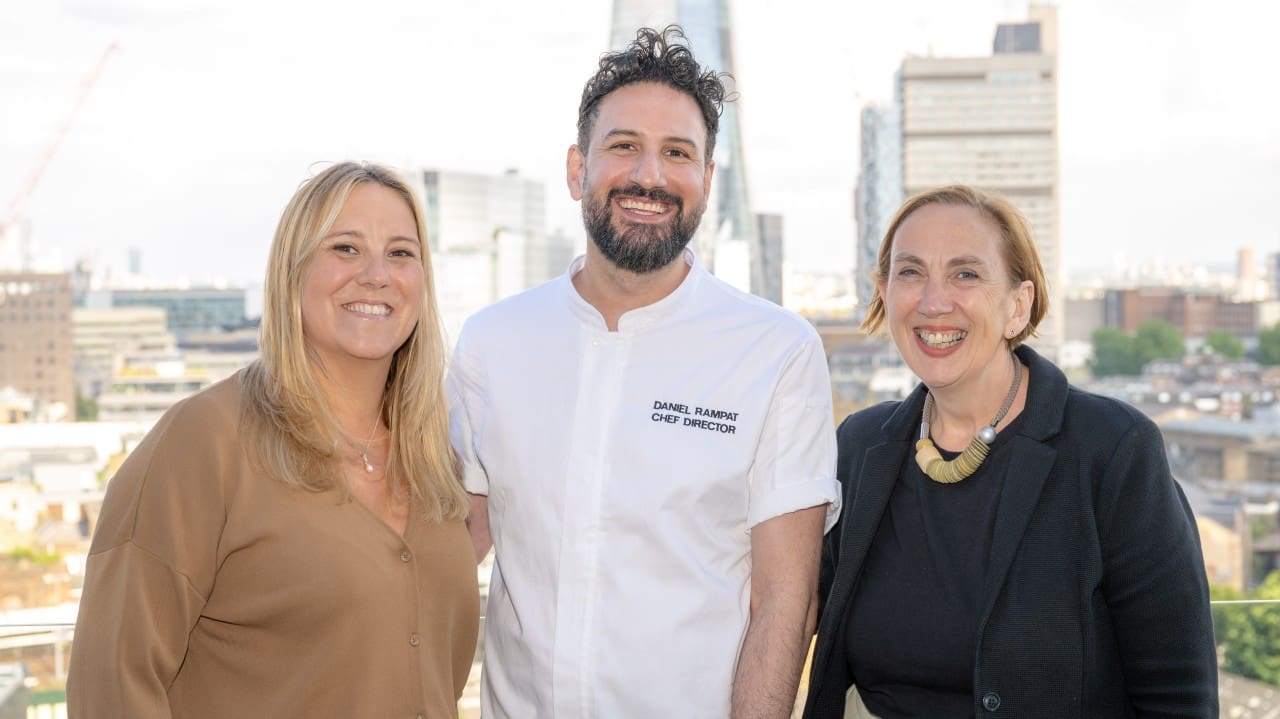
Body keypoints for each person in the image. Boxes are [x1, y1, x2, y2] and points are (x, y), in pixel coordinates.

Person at [447, 26, 839, 719]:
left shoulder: (776, 351)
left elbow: (783, 601)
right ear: (577, 168)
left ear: (709, 181)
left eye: (678, 153)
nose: (650, 176)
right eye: (624, 146)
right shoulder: (492, 342)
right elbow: (444, 557)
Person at [67, 162, 479, 718]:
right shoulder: (204, 443)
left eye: (402, 253)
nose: (377, 274)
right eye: (345, 248)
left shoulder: (432, 456)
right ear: (293, 270)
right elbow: (111, 688)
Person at [803, 185, 1218, 718]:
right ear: (884, 294)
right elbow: (783, 603)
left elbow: (1179, 697)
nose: (933, 301)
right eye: (910, 273)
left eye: (966, 274)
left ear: (1017, 307)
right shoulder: (859, 448)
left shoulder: (1112, 451)